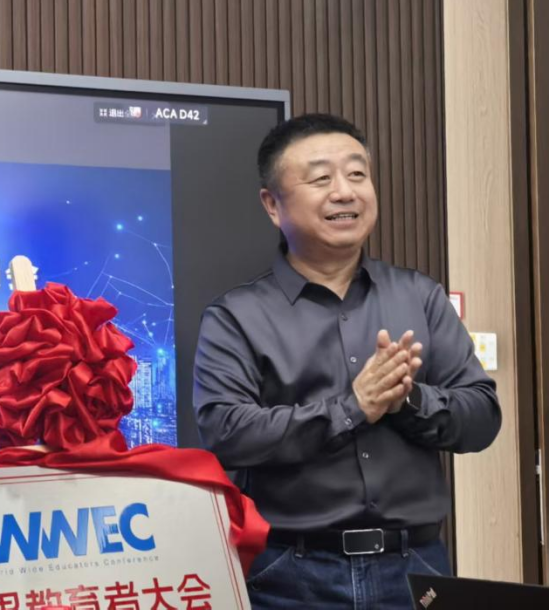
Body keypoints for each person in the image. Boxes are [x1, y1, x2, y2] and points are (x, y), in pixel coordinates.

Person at [193, 113, 501, 608]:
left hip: (415, 569)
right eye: (321, 178)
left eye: (357, 174)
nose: (345, 192)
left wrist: (407, 401)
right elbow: (226, 431)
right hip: (290, 575)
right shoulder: (237, 316)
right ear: (272, 204)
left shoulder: (420, 297)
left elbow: (482, 417)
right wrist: (352, 408)